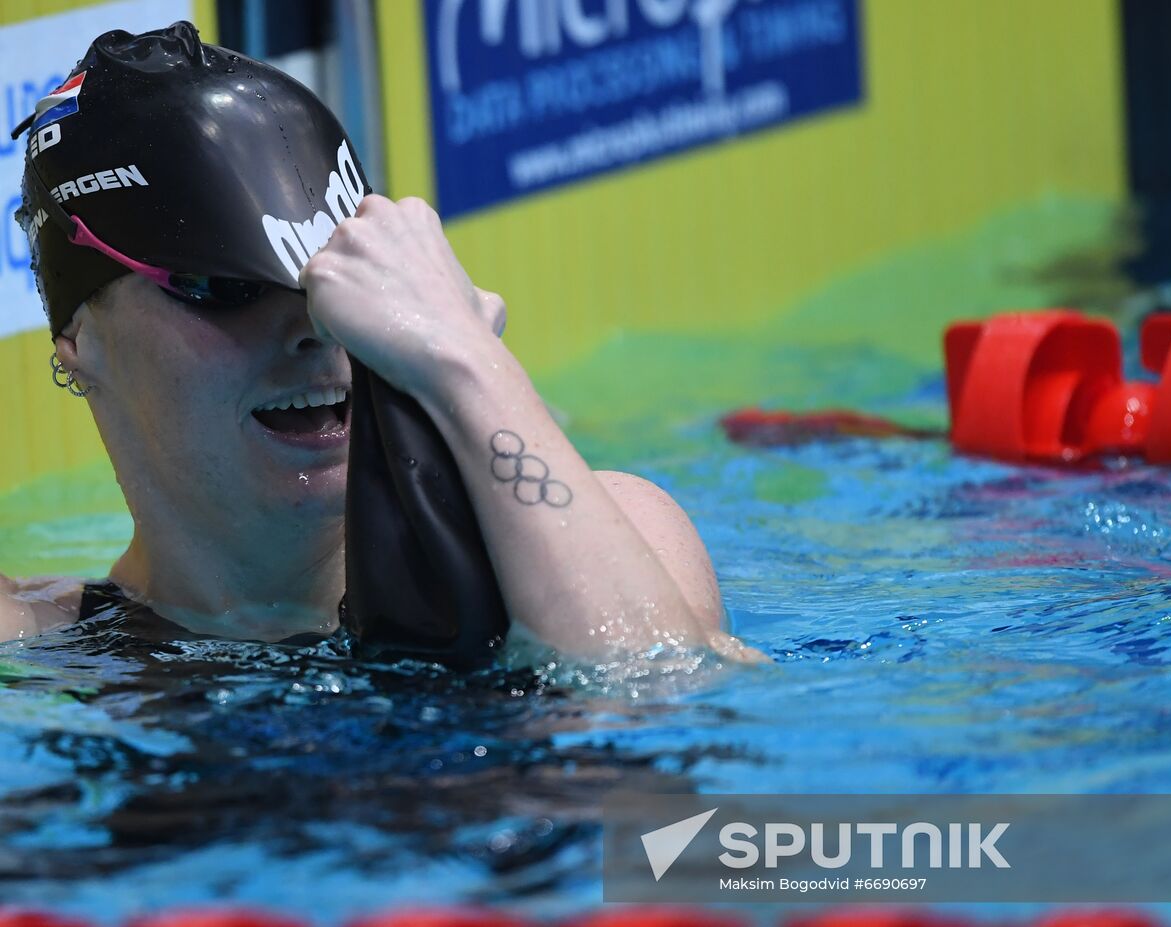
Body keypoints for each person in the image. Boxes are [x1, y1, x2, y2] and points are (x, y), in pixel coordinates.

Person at [0, 22, 756, 663]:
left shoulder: (617, 535)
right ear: (76, 335)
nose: (315, 327)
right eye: (219, 288)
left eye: (338, 280)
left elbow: (654, 731)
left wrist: (463, 362)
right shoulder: (40, 646)